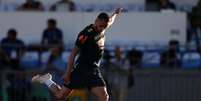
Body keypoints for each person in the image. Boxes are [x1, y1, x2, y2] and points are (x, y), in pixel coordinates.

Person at [31, 8, 122, 101]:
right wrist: (67, 73)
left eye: (104, 26)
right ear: (96, 21)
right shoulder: (85, 34)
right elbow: (73, 53)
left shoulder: (103, 26)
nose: (101, 28)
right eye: (100, 26)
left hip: (93, 70)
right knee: (60, 96)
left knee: (104, 97)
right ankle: (47, 80)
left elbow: (110, 21)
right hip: (80, 70)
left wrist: (115, 13)